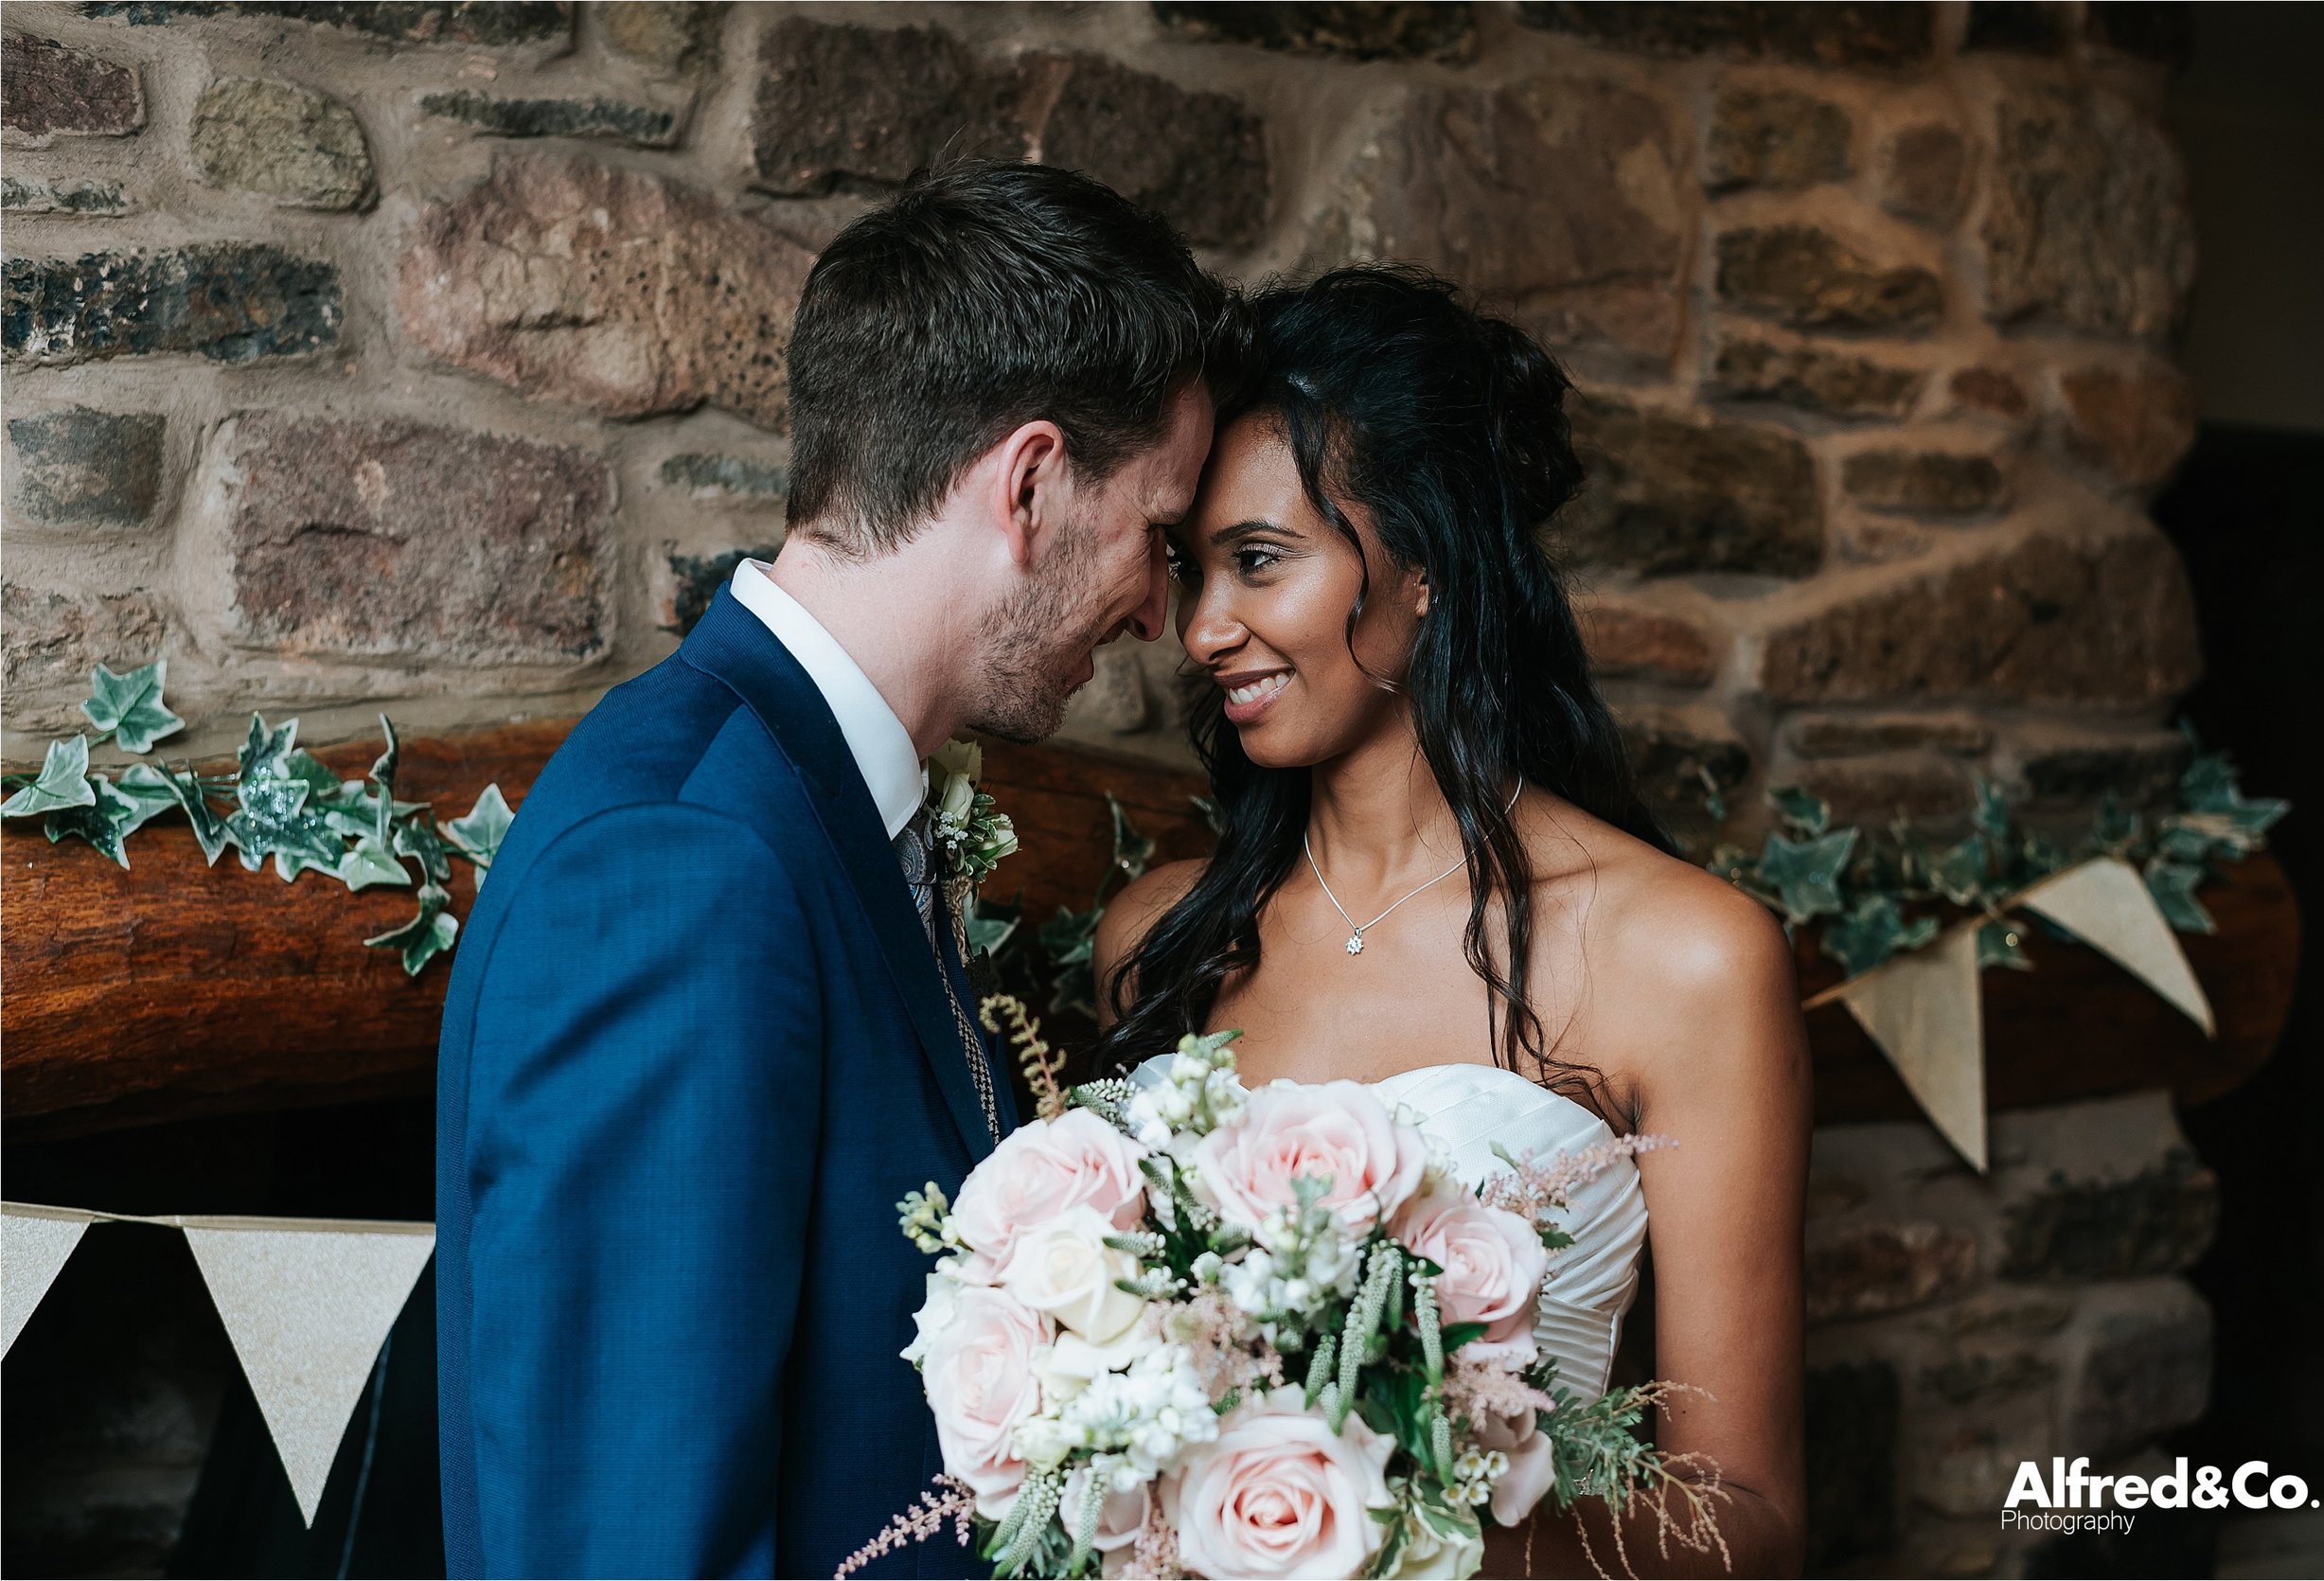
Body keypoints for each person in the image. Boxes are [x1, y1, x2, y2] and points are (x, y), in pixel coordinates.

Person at [436, 161, 1240, 1579]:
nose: (1165, 610)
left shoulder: (838, 806)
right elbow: (628, 1545)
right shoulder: (685, 865)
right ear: (1033, 482)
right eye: (1159, 535)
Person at [1095, 267, 1811, 1576]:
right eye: (1190, 569)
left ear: (1425, 564)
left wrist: (1390, 1540)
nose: (1202, 626)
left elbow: (1747, 1517)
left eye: (1259, 560)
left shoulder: (1687, 958)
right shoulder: (1161, 937)